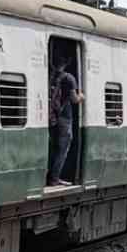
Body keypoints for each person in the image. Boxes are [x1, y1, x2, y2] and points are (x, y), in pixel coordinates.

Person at [47, 58, 83, 186]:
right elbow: (74, 99)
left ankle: (49, 175)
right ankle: (54, 178)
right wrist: (81, 97)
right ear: (67, 63)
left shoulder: (50, 76)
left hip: (52, 118)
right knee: (62, 149)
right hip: (64, 118)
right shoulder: (69, 78)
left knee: (53, 148)